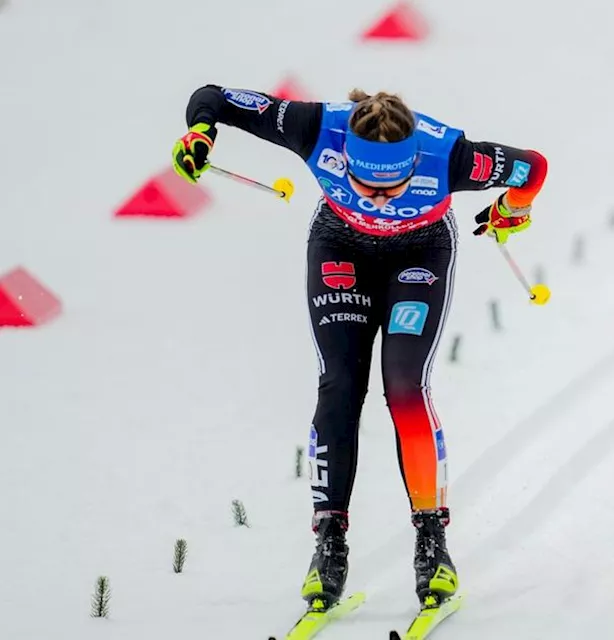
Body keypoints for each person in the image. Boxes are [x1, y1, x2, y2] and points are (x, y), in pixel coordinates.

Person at [172, 86, 548, 613]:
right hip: (339, 245)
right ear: (343, 156)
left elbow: (532, 168)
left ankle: (431, 540)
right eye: (366, 185)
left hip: (421, 251)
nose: (378, 199)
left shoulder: (451, 155)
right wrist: (199, 133)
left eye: (393, 188)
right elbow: (214, 97)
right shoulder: (313, 127)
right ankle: (328, 543)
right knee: (341, 385)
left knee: (404, 385)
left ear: (414, 160)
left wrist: (511, 207)